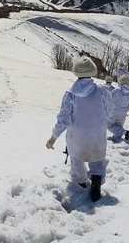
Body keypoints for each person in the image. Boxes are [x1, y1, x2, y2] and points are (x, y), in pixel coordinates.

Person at [46, 56, 113, 202]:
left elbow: (63, 119)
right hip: (97, 133)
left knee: (77, 160)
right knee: (97, 160)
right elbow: (110, 109)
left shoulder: (70, 94)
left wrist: (53, 138)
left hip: (77, 136)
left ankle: (80, 183)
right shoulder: (102, 91)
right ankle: (96, 179)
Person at [107, 75, 129, 143]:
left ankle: (125, 132)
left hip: (113, 112)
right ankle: (117, 141)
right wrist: (124, 110)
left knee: (109, 125)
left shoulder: (116, 90)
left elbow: (109, 100)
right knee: (119, 126)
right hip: (123, 114)